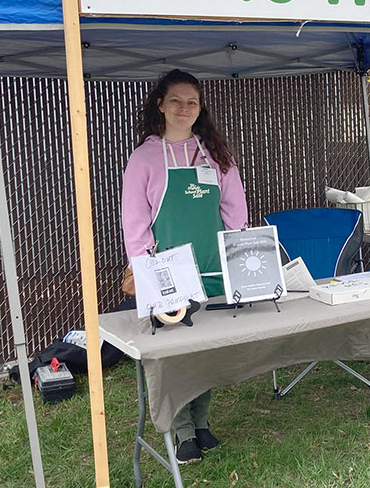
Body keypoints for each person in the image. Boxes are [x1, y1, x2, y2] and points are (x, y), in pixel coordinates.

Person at [120, 68, 248, 465]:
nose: (184, 108)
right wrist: (145, 270)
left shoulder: (216, 154)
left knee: (204, 351)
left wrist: (238, 256)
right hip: (168, 272)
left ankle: (203, 422)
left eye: (191, 101)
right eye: (175, 100)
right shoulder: (144, 158)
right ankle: (181, 431)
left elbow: (235, 213)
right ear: (160, 105)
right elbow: (135, 221)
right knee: (175, 355)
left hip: (211, 267)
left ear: (200, 108)